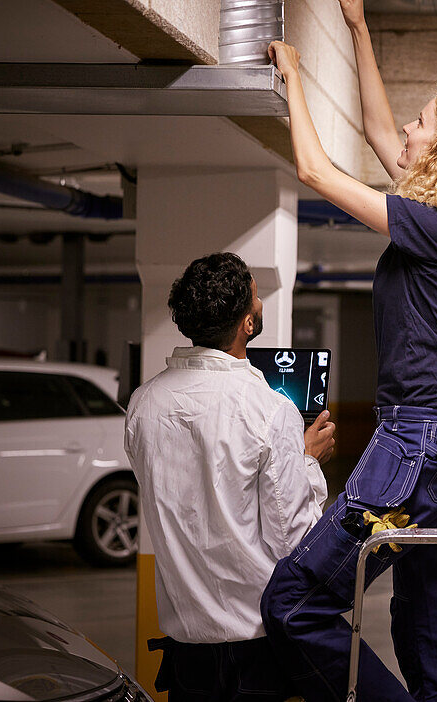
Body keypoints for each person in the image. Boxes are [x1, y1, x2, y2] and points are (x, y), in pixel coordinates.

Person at [259, 0, 437, 701]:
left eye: (421, 123)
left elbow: (315, 168)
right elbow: (378, 132)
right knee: (429, 628)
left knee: (296, 602)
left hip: (420, 444)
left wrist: (295, 79)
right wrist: (358, 27)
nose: (406, 130)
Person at [125, 251, 337, 702]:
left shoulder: (143, 404)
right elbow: (292, 541)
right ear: (246, 324)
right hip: (255, 644)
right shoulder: (268, 408)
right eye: (257, 299)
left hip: (184, 647)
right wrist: (307, 460)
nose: (260, 306)